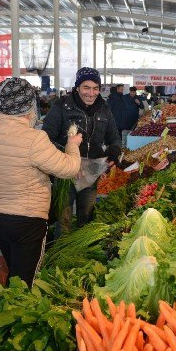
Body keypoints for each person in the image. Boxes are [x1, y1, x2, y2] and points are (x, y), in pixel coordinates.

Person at [0, 77, 82, 286]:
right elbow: (69, 168)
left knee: (15, 276)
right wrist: (73, 145)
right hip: (26, 222)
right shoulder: (34, 138)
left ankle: (7, 311)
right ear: (29, 105)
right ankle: (13, 315)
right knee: (25, 283)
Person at [42, 67, 121, 234]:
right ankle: (61, 253)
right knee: (63, 221)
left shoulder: (104, 108)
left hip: (91, 173)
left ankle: (80, 254)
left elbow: (114, 137)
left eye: (95, 88)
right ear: (77, 87)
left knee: (86, 219)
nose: (91, 93)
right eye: (86, 87)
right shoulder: (61, 106)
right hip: (65, 174)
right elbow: (46, 139)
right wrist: (70, 161)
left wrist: (114, 152)